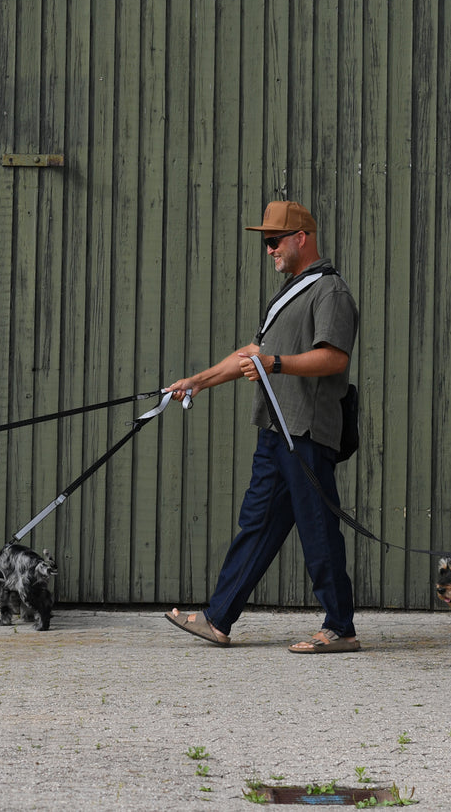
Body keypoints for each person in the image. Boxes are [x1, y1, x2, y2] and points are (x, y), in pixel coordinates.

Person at [163, 200, 361, 653]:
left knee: (317, 529)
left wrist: (276, 363)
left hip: (306, 432)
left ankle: (340, 628)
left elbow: (335, 357)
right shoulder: (290, 292)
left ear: (301, 238)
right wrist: (198, 381)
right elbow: (250, 354)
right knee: (257, 525)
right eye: (266, 241)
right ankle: (218, 619)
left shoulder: (330, 292)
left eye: (274, 240)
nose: (269, 249)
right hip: (276, 430)